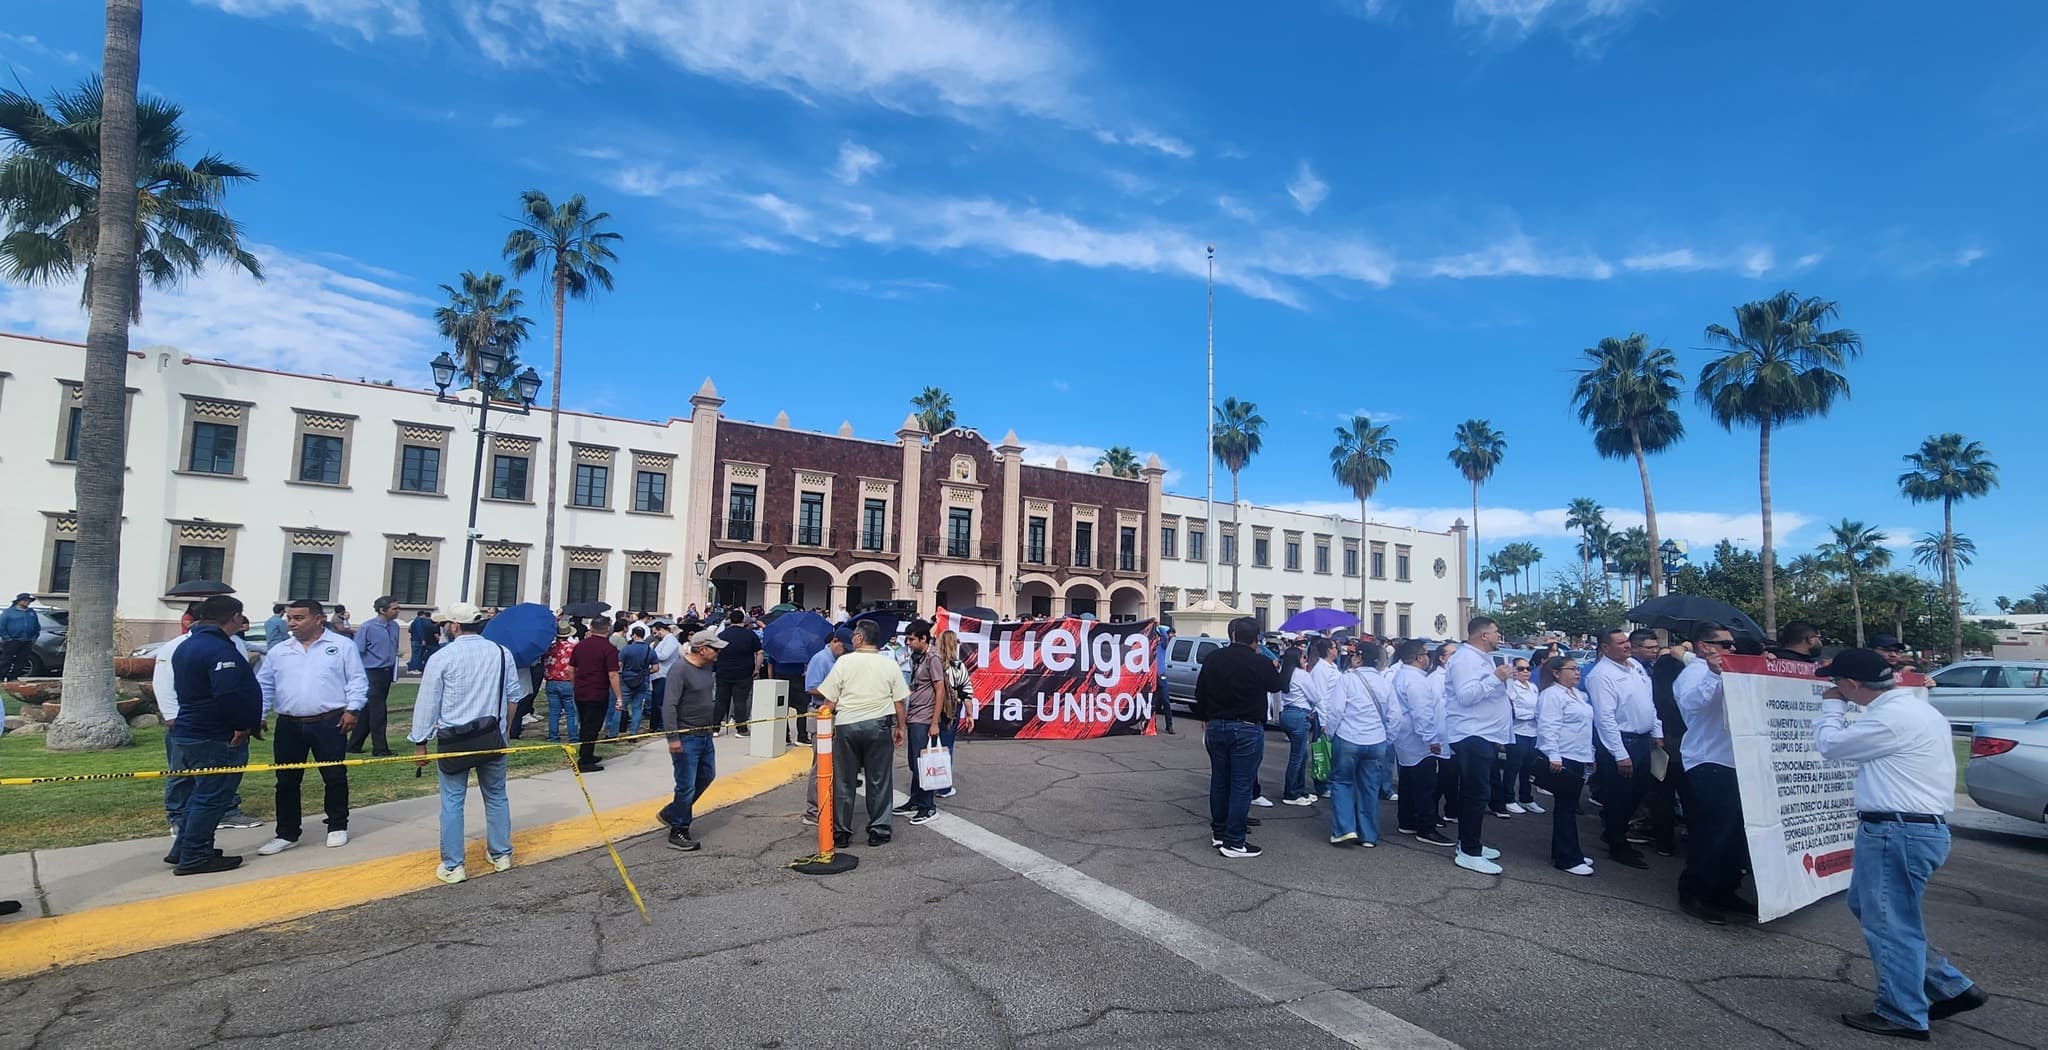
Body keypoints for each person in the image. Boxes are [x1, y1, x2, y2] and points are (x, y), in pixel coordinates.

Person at [1813, 647, 1987, 1039]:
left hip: (1898, 830)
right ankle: (1948, 986)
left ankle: (1902, 1012)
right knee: (1877, 910)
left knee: (1891, 923)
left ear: (1852, 684)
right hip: (1907, 829)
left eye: (1837, 684)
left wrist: (1832, 710)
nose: (1835, 690)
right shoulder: (1912, 710)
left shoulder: (1890, 719)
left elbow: (1831, 746)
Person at [410, 602, 522, 885]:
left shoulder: (442, 657)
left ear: (455, 626)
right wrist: (505, 732)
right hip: (491, 736)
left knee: (451, 802)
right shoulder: (500, 652)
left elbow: (427, 703)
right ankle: (500, 854)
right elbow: (513, 697)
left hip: (454, 739)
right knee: (496, 796)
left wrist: (420, 742)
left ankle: (453, 864)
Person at [253, 599, 368, 856]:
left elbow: (357, 680)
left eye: (298, 618)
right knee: (286, 781)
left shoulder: (341, 646)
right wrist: (259, 715)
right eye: (290, 618)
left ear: (318, 619)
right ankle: (287, 833)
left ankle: (337, 825)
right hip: (289, 724)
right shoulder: (280, 651)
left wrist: (353, 709)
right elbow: (265, 686)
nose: (292, 623)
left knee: (334, 776)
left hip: (329, 721)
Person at [167, 596, 263, 875]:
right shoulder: (219, 649)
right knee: (212, 797)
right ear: (234, 617)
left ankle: (185, 847)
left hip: (191, 731)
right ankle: (196, 856)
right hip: (214, 734)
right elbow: (227, 694)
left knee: (199, 794)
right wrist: (242, 725)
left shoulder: (187, 645)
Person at [1672, 622, 1755, 925]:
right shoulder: (1693, 673)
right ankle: (1695, 892)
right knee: (1714, 831)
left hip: (1737, 759)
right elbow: (1694, 705)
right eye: (1725, 644)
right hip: (1709, 760)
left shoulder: (1731, 668)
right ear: (1705, 646)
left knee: (1734, 833)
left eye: (1733, 645)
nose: (1732, 649)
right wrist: (1712, 674)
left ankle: (1725, 889)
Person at [1195, 616, 1285, 859]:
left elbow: (1199, 693)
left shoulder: (1213, 658)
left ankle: (1219, 832)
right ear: (1256, 640)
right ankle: (1234, 841)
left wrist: (1205, 719)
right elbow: (1277, 686)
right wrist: (1277, 666)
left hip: (1215, 725)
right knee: (1241, 784)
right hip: (1245, 727)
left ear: (1233, 635)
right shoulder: (1260, 662)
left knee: (1220, 781)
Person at [814, 619, 909, 848]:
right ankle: (879, 829)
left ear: (859, 638)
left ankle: (841, 831)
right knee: (879, 779)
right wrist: (900, 727)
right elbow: (899, 702)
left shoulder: (844, 662)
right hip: (878, 724)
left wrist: (824, 724)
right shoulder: (889, 664)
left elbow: (830, 701)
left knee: (844, 779)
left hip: (847, 724)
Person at [1584, 627, 1661, 870]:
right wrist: (1620, 754)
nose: (1626, 645)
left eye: (1627, 641)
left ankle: (1615, 831)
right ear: (1606, 648)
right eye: (1619, 643)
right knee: (1619, 796)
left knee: (1639, 791)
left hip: (1641, 740)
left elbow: (1648, 701)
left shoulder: (1635, 667)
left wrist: (1656, 730)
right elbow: (1605, 718)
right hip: (1621, 742)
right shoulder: (1601, 675)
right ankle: (1617, 844)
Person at [1443, 616, 1514, 875]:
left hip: (1485, 734)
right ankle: (1468, 851)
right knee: (1475, 793)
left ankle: (1470, 842)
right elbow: (1465, 696)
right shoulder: (1464, 659)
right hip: (1470, 734)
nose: (1499, 636)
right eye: (1496, 632)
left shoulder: (1483, 658)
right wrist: (1495, 678)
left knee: (1478, 792)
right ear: (1484, 635)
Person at [658, 627, 726, 852]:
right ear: (703, 649)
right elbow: (669, 705)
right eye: (714, 649)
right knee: (686, 784)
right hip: (686, 736)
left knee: (707, 775)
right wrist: (673, 737)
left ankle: (673, 811)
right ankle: (679, 828)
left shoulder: (707, 668)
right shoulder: (679, 669)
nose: (717, 653)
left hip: (704, 733)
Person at [1315, 649, 1391, 847]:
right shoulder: (1385, 682)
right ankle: (1368, 834)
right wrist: (1387, 738)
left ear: (1359, 658)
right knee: (1370, 787)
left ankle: (1345, 829)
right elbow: (1395, 716)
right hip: (1376, 740)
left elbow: (1336, 710)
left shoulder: (1347, 679)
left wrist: (1330, 733)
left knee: (1342, 782)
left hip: (1349, 737)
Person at [1535, 656, 1595, 876]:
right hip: (1563, 757)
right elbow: (1548, 726)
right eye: (1572, 669)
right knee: (1565, 808)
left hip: (1579, 755)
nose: (1577, 673)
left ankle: (1570, 850)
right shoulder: (1552, 695)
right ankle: (1566, 856)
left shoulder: (1578, 695)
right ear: (1556, 673)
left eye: (1578, 669)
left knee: (1569, 807)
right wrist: (1553, 755)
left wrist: (1590, 754)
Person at [1390, 640, 1452, 846]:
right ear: (1419, 657)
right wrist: (1431, 738)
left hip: (1406, 737)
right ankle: (1426, 827)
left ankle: (1407, 820)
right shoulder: (1415, 680)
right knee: (1425, 784)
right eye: (1426, 654)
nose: (1428, 657)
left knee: (1408, 781)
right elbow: (1422, 712)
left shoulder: (1403, 675)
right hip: (1417, 739)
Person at [800, 629, 851, 825]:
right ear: (835, 642)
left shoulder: (838, 660)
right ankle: (813, 810)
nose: (845, 652)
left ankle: (825, 804)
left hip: (833, 714)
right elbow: (811, 687)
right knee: (820, 764)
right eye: (844, 648)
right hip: (820, 714)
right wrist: (835, 693)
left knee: (832, 763)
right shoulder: (821, 659)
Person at [349, 596, 402, 756]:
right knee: (378, 712)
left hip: (386, 672)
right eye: (394, 608)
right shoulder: (368, 627)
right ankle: (380, 748)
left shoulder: (394, 626)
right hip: (371, 673)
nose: (397, 611)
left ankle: (353, 745)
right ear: (382, 610)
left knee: (367, 711)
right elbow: (357, 652)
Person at [570, 620, 622, 772]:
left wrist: (575, 685)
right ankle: (585, 760)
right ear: (608, 629)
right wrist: (619, 696)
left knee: (585, 723)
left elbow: (570, 669)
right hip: (597, 692)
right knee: (592, 726)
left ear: (591, 628)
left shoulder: (580, 646)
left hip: (580, 691)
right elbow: (613, 674)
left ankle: (587, 753)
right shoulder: (609, 649)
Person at [1495, 658, 1543, 815]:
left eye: (1528, 668)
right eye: (1521, 669)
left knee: (1528, 767)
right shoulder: (1511, 687)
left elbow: (1539, 708)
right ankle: (1508, 798)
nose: (1526, 672)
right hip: (1517, 732)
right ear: (1514, 670)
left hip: (1533, 732)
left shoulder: (1533, 687)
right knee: (1513, 766)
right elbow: (1513, 711)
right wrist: (1532, 715)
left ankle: (1526, 798)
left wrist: (1535, 715)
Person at [714, 608, 763, 736]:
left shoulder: (722, 635)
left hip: (723, 671)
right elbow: (759, 652)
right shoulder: (750, 635)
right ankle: (741, 729)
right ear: (743, 620)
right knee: (740, 701)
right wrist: (757, 668)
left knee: (720, 700)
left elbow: (715, 653)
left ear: (730, 620)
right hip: (744, 672)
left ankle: (714, 728)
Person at [609, 623, 656, 737]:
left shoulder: (627, 649)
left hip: (626, 680)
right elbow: (656, 668)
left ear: (634, 635)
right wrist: (645, 672)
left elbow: (618, 665)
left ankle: (613, 733)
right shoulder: (650, 651)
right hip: (642, 680)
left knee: (619, 706)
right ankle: (633, 733)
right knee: (637, 707)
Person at [541, 623, 580, 743]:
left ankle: (553, 736)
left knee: (554, 712)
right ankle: (573, 736)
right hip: (568, 682)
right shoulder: (573, 648)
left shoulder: (549, 648)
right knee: (571, 712)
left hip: (552, 682)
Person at [648, 620, 681, 734]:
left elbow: (664, 656)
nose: (655, 635)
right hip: (658, 674)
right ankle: (655, 725)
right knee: (656, 702)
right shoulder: (664, 641)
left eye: (656, 632)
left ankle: (662, 725)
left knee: (661, 702)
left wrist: (651, 654)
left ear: (661, 630)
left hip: (664, 674)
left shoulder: (671, 640)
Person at [0, 593, 38, 681]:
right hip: (12, 640)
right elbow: (1, 626)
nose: (27, 602)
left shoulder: (31, 612)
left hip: (27, 640)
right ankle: (1, 677)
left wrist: (34, 637)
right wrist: (7, 638)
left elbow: (36, 626)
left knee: (22, 660)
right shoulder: (8, 612)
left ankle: (13, 677)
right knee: (6, 660)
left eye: (28, 601)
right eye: (25, 600)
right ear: (19, 601)